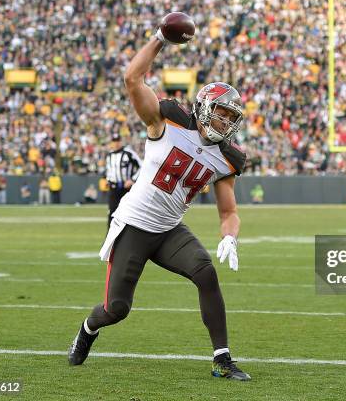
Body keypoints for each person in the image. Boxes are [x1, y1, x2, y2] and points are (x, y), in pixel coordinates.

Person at [67, 23, 250, 381]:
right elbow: (133, 80)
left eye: (231, 117)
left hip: (169, 230)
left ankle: (222, 360)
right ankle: (88, 329)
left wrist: (230, 235)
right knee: (116, 309)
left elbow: (228, 211)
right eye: (221, 112)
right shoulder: (168, 120)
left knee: (206, 273)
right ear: (203, 107)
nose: (225, 121)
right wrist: (160, 40)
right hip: (134, 225)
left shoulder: (228, 159)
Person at [105, 133, 142, 227]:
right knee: (111, 212)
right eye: (114, 141)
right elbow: (110, 170)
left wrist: (132, 180)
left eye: (118, 141)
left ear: (121, 142)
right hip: (113, 188)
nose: (116, 143)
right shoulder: (109, 155)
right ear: (111, 143)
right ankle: (110, 239)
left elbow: (142, 166)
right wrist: (108, 179)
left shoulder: (128, 153)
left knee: (128, 213)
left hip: (126, 188)